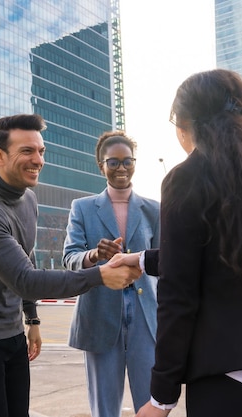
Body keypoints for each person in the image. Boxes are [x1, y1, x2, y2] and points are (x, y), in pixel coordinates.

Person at [111, 69, 242, 417]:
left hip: (236, 377)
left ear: (185, 124)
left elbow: (179, 294)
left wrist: (161, 397)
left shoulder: (185, 178)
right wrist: (141, 260)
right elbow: (217, 256)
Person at [0, 114, 141, 417]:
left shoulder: (28, 199)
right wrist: (100, 275)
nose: (38, 160)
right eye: (27, 151)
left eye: (41, 151)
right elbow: (26, 279)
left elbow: (27, 259)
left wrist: (32, 320)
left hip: (12, 332)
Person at [63, 131, 160, 416]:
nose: (121, 168)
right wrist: (93, 254)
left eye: (127, 161)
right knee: (104, 406)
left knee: (150, 401)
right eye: (113, 162)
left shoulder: (154, 209)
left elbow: (166, 264)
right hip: (99, 312)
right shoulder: (82, 208)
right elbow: (69, 258)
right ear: (101, 165)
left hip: (145, 314)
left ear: (134, 163)